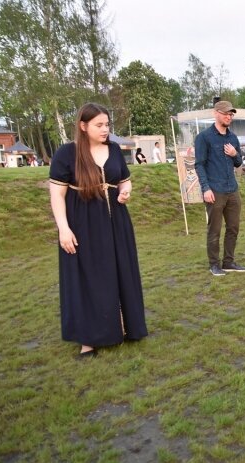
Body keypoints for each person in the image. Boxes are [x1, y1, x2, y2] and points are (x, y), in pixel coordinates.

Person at [48, 102, 148, 357]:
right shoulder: (66, 154)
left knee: (121, 271)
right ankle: (88, 339)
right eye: (99, 125)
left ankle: (127, 328)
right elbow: (57, 195)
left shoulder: (114, 150)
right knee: (89, 278)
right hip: (84, 225)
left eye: (107, 124)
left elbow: (125, 182)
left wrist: (125, 193)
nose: (105, 130)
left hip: (117, 222)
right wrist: (63, 229)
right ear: (83, 126)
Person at [195, 100, 245, 276]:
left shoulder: (233, 138)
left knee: (233, 228)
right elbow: (199, 165)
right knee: (214, 229)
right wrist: (205, 188)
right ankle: (214, 264)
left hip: (232, 189)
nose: (229, 117)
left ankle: (228, 262)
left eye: (231, 114)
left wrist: (235, 154)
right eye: (226, 113)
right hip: (215, 190)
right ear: (215, 113)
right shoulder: (204, 137)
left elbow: (239, 162)